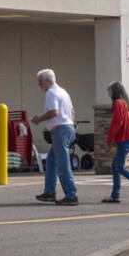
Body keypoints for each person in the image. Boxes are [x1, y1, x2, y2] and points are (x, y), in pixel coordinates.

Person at [30, 68, 78, 206]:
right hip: (67, 128)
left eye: (40, 81)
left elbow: (54, 112)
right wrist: (71, 125)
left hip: (60, 131)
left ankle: (71, 195)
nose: (39, 84)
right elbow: (72, 111)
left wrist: (39, 119)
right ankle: (49, 192)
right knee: (52, 161)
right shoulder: (63, 92)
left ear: (48, 80)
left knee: (63, 164)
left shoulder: (51, 93)